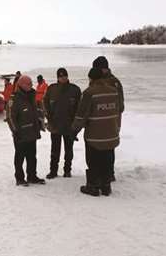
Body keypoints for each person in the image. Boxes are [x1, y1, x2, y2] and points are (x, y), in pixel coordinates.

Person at [72, 68, 121, 196]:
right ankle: (106, 186)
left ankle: (93, 186)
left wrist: (74, 131)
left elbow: (81, 116)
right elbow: (119, 108)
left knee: (93, 159)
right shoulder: (113, 92)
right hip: (111, 134)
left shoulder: (89, 93)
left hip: (95, 136)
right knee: (107, 158)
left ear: (91, 78)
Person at [6, 75, 45, 186]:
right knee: (20, 157)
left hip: (32, 132)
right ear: (21, 85)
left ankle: (32, 176)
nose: (31, 85)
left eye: (31, 83)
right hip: (21, 134)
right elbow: (10, 117)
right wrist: (15, 131)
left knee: (32, 156)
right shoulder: (14, 99)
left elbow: (36, 111)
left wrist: (40, 122)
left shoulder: (32, 96)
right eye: (29, 84)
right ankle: (19, 178)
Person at [43, 68, 81, 179]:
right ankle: (53, 171)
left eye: (64, 76)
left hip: (69, 126)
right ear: (57, 77)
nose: (63, 78)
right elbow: (45, 103)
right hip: (55, 125)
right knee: (55, 150)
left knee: (69, 150)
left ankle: (67, 170)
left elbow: (80, 108)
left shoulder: (75, 90)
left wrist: (76, 125)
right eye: (60, 76)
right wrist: (48, 117)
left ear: (67, 76)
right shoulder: (51, 89)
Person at [92, 56, 124, 182]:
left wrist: (113, 116)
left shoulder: (113, 82)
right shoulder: (98, 79)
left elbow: (120, 104)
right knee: (100, 146)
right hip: (100, 121)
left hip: (111, 120)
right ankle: (102, 172)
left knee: (109, 146)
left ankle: (109, 172)